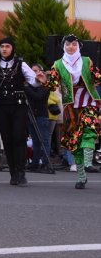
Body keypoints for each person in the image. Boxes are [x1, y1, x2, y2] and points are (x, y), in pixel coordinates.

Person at [0, 37, 41, 186]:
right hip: (0, 106)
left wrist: (39, 79)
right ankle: (13, 172)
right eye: (2, 47)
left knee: (19, 137)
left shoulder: (21, 64)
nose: (4, 49)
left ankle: (21, 171)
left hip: (18, 105)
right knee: (6, 139)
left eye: (7, 46)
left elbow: (34, 81)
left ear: (12, 48)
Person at [44, 35, 100, 189]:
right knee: (74, 141)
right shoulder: (58, 64)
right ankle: (82, 177)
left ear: (79, 46)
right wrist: (44, 80)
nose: (71, 47)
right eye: (68, 44)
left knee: (89, 129)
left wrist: (97, 77)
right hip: (71, 105)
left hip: (89, 101)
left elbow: (97, 77)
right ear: (63, 46)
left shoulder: (87, 61)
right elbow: (53, 83)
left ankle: (88, 163)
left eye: (74, 44)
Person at [25, 64, 52, 173]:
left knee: (44, 140)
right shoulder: (31, 85)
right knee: (35, 141)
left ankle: (46, 163)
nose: (34, 73)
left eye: (36, 70)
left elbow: (38, 96)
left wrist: (25, 87)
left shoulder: (45, 85)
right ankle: (35, 163)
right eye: (32, 71)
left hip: (41, 116)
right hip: (31, 115)